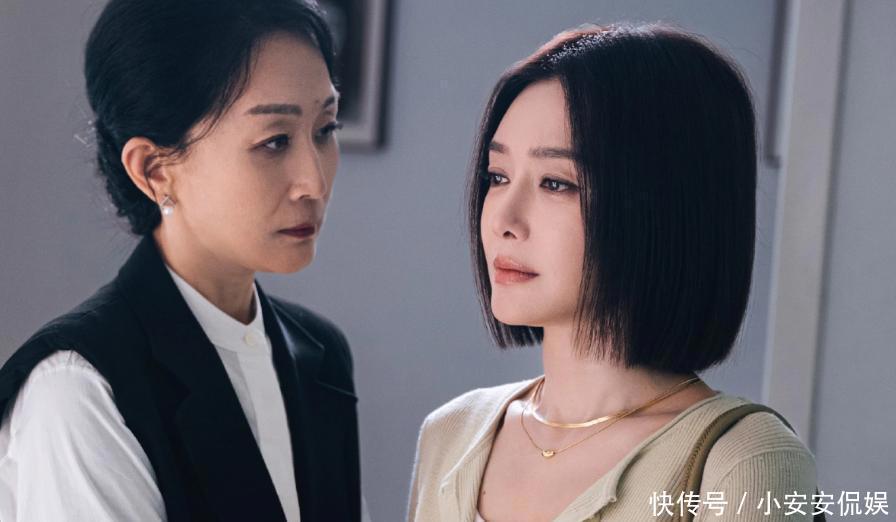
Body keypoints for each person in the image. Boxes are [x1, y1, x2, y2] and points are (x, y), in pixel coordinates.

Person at [408, 24, 818, 521]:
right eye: (498, 176)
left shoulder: (742, 462)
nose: (503, 220)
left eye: (556, 183)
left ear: (660, 207)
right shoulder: (451, 433)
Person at [0, 1, 361, 520]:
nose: (314, 181)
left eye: (325, 129)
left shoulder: (320, 355)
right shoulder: (81, 389)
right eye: (274, 141)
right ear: (153, 169)